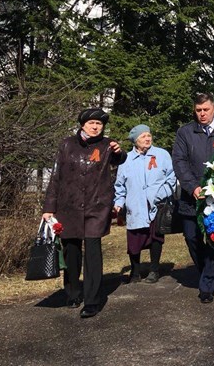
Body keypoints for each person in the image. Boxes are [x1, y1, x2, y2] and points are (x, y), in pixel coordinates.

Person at [42, 108, 127, 318]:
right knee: (71, 252)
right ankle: (72, 292)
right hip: (68, 206)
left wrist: (119, 151)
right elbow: (55, 177)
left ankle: (92, 300)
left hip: (97, 206)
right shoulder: (67, 144)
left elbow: (120, 159)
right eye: (92, 123)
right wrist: (49, 208)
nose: (96, 126)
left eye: (100, 123)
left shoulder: (107, 145)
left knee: (92, 253)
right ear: (82, 125)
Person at [172, 92, 214, 303]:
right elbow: (179, 162)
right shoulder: (185, 132)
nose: (202, 114)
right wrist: (192, 187)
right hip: (192, 199)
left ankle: (207, 285)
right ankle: (205, 273)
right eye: (198, 110)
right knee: (192, 237)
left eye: (206, 110)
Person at [114, 125, 176, 284]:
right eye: (143, 137)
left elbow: (171, 178)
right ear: (135, 141)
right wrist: (119, 202)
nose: (147, 139)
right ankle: (135, 271)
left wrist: (161, 195)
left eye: (149, 135)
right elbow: (119, 185)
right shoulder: (125, 159)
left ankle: (154, 270)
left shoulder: (162, 155)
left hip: (157, 205)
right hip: (135, 205)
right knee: (134, 239)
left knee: (156, 237)